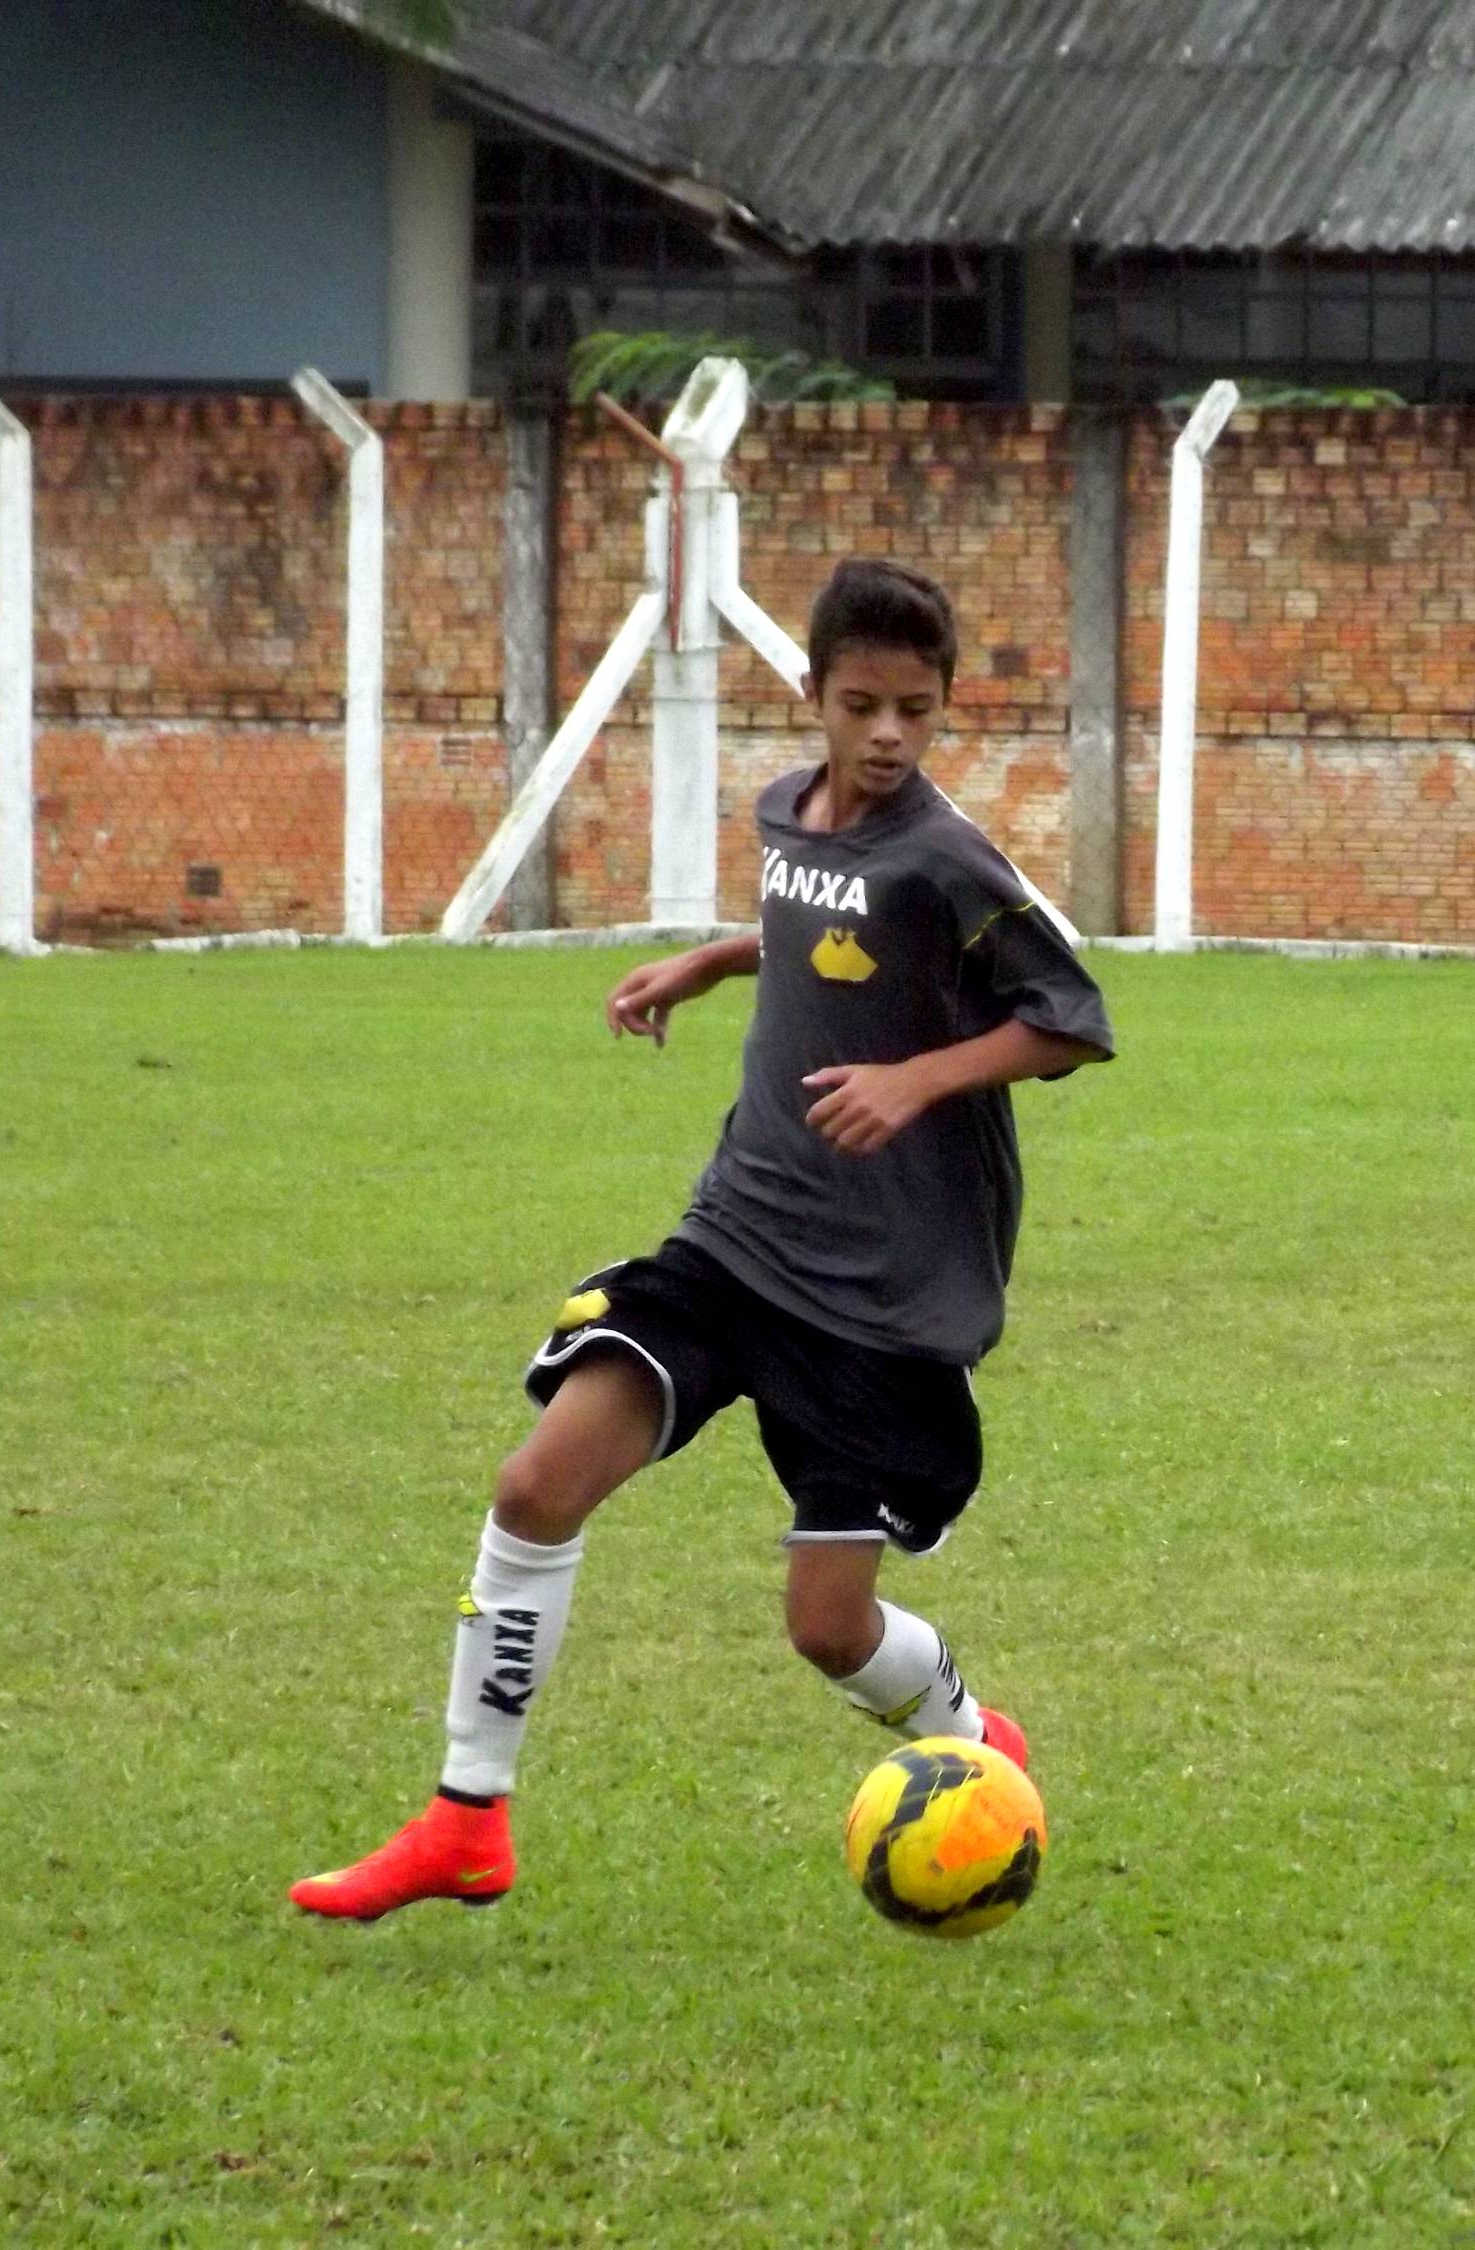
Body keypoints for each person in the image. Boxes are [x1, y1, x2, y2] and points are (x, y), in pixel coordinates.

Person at [291, 558, 1113, 1921]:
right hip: (737, 1238)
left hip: (876, 1303)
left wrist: (916, 1081)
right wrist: (710, 961)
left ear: (945, 705)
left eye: (918, 708)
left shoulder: (952, 855)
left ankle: (974, 1738)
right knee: (536, 1484)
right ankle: (464, 1815)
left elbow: (1075, 1020)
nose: (891, 734)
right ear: (813, 696)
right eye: (864, 704)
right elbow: (815, 918)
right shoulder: (787, 808)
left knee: (827, 1627)